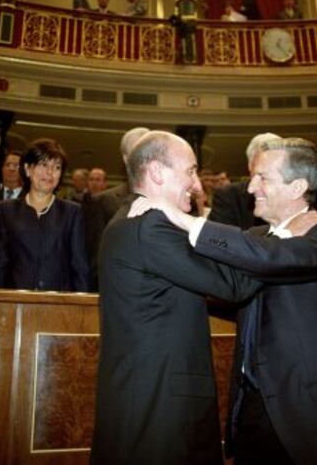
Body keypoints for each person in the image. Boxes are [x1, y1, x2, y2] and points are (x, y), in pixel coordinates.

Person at [130, 136, 317, 465]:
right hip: (252, 413)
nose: (251, 187)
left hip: (316, 413)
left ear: (296, 187)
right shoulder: (252, 239)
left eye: (262, 178)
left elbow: (276, 258)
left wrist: (178, 216)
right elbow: (216, 278)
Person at [90, 131, 262, 465]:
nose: (197, 184)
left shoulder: (129, 220)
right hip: (161, 410)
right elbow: (235, 283)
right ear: (156, 172)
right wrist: (280, 232)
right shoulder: (150, 227)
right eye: (190, 171)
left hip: (147, 399)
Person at [0, 138, 89, 291]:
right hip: (15, 303)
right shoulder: (5, 210)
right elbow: (0, 263)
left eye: (57, 167)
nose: (50, 172)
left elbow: (80, 267)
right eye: (43, 164)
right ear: (27, 169)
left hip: (59, 306)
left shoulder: (72, 213)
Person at [84, 127, 150, 288]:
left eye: (149, 152)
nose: (145, 159)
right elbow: (96, 258)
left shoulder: (171, 201)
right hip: (119, 292)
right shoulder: (102, 201)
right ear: (126, 159)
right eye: (138, 152)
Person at [209, 132, 279, 229]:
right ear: (250, 164)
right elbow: (217, 240)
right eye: (264, 163)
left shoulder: (296, 194)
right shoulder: (228, 196)